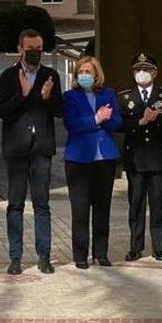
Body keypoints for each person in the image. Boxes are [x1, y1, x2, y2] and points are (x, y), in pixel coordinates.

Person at [0, 29, 64, 275]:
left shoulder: (50, 75)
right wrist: (23, 94)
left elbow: (59, 111)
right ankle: (15, 257)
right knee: (15, 204)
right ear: (20, 49)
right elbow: (2, 111)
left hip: (41, 148)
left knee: (41, 204)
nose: (35, 53)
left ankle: (44, 256)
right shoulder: (8, 76)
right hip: (16, 149)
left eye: (39, 49)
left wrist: (47, 97)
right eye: (30, 49)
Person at [118, 52, 162, 262]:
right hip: (135, 159)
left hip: (157, 158)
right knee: (136, 205)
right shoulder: (125, 97)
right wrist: (140, 122)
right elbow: (120, 125)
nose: (141, 73)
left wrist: (157, 119)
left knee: (157, 204)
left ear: (155, 72)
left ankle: (159, 248)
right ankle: (135, 247)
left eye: (146, 69)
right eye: (138, 69)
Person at [63, 56, 122, 268]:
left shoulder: (108, 94)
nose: (85, 75)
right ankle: (80, 255)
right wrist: (97, 120)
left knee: (102, 208)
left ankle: (101, 253)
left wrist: (106, 118)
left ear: (96, 74)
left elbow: (117, 121)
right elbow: (72, 124)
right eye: (81, 72)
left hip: (104, 158)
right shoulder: (70, 97)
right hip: (78, 159)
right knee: (80, 210)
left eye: (89, 72)